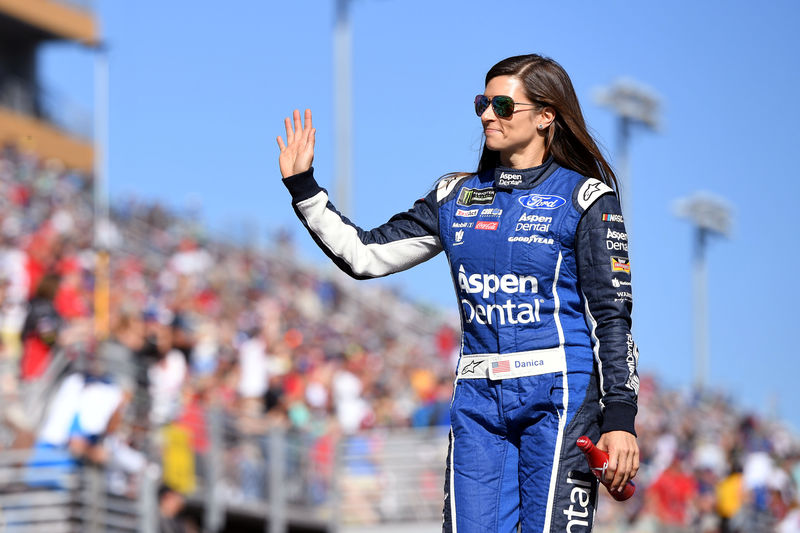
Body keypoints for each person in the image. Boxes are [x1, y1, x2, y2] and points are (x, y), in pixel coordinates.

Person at [277, 53, 640, 532]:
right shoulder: (454, 196)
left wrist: (620, 416)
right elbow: (365, 255)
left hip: (559, 395)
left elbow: (613, 318)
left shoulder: (586, 198)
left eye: (504, 106)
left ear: (547, 116)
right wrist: (304, 188)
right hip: (477, 399)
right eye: (482, 104)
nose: (488, 115)